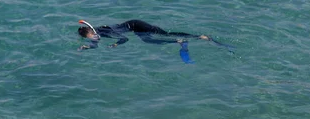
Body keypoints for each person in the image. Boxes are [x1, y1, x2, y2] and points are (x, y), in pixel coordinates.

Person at [77, 19, 210, 51]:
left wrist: (116, 44)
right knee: (150, 41)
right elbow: (96, 41)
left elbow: (125, 38)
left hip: (137, 26)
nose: (92, 38)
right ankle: (178, 41)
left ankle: (198, 36)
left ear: (90, 32)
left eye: (89, 37)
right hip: (135, 28)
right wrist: (88, 47)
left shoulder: (104, 32)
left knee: (166, 34)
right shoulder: (96, 32)